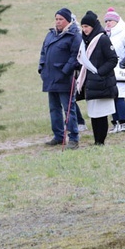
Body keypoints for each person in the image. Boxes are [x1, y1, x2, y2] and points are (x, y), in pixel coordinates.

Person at [38, 8, 81, 149]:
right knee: (53, 108)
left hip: (64, 78)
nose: (58, 21)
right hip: (50, 77)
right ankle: (58, 136)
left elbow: (75, 57)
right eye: (56, 19)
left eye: (60, 19)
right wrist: (41, 68)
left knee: (69, 109)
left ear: (68, 20)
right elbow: (43, 52)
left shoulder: (74, 35)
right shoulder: (50, 35)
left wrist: (65, 72)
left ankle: (73, 138)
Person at [76, 11, 118, 146]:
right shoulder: (84, 42)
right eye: (82, 27)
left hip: (102, 82)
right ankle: (96, 141)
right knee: (94, 114)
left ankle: (101, 141)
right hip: (90, 83)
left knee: (102, 114)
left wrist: (99, 73)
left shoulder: (103, 39)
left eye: (86, 26)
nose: (84, 29)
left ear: (93, 26)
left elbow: (112, 59)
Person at [104, 8, 125, 133]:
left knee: (120, 95)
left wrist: (123, 65)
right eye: (106, 21)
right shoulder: (106, 35)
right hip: (109, 69)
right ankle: (115, 122)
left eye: (110, 20)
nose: (108, 23)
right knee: (111, 96)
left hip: (122, 70)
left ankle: (123, 122)